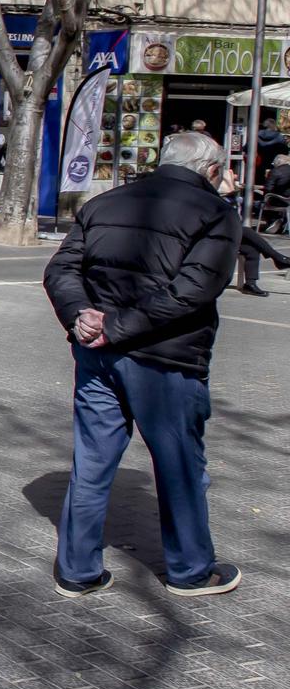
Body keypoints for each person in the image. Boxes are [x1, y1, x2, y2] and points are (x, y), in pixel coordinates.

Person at [43, 131, 243, 596]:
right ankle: (191, 571)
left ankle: (77, 571)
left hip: (99, 356)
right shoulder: (216, 212)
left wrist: (83, 317)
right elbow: (192, 292)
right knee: (179, 467)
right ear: (211, 170)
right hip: (164, 361)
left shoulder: (104, 202)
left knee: (91, 465)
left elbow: (61, 269)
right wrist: (109, 324)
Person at [220, 165, 290, 296]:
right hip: (216, 237)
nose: (235, 176)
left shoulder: (234, 199)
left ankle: (250, 284)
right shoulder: (217, 201)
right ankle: (278, 257)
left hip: (230, 235)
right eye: (231, 177)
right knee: (245, 230)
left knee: (252, 249)